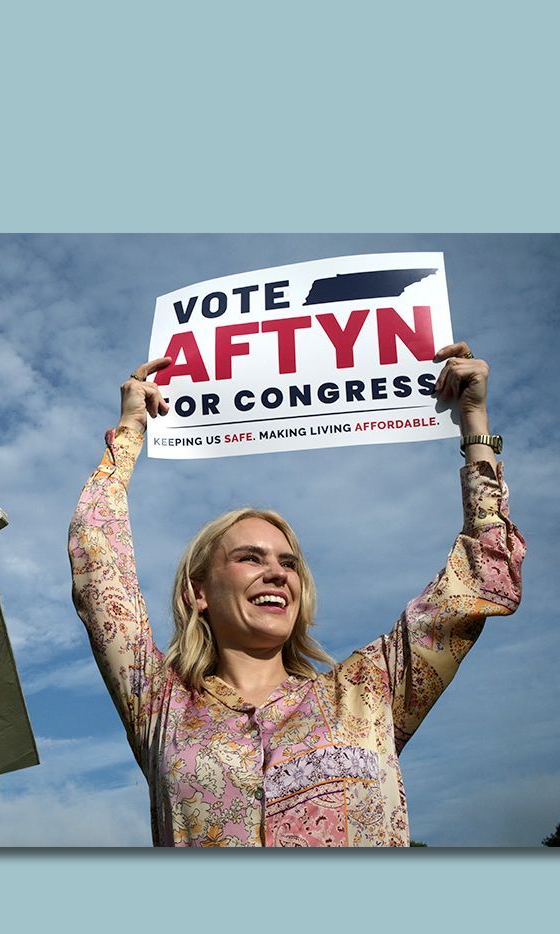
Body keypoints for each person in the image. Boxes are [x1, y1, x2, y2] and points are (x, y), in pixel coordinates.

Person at [68, 343, 522, 846]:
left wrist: (475, 423)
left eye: (289, 564)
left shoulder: (369, 692)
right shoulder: (160, 705)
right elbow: (97, 561)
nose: (277, 573)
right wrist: (131, 428)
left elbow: (482, 579)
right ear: (199, 592)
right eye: (249, 558)